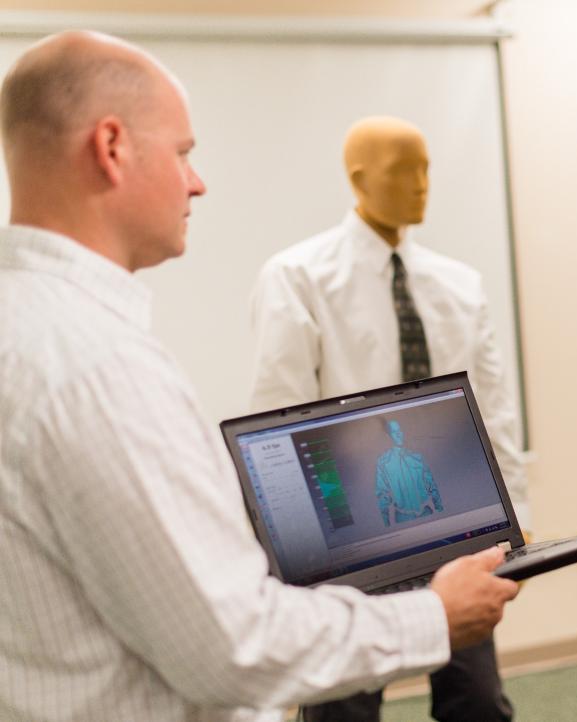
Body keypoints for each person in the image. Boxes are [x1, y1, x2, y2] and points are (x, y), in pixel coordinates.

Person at [0, 30, 519, 722]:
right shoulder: (96, 368)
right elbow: (231, 645)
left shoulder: (31, 325)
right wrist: (431, 616)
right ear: (112, 146)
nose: (197, 180)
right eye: (184, 153)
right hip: (339, 562)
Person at [250, 116, 526, 721]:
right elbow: (277, 419)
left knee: (478, 704)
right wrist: (294, 563)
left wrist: (515, 518)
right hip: (347, 545)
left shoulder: (459, 284)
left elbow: (493, 408)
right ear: (358, 179)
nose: (422, 184)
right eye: (404, 170)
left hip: (452, 526)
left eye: (427, 168)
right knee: (344, 709)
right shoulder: (298, 279)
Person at [376, 419, 444, 526]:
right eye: (394, 432)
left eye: (400, 431)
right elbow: (382, 496)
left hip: (426, 514)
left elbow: (432, 486)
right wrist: (387, 525)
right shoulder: (383, 463)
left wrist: (441, 512)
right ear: (389, 436)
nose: (398, 435)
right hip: (403, 520)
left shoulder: (417, 458)